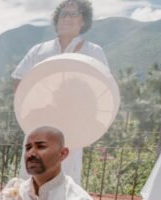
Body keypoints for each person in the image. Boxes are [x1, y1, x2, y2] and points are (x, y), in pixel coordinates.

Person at [12, 0, 109, 187]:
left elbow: (102, 88)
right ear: (56, 19)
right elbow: (18, 79)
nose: (67, 18)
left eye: (73, 14)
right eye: (63, 14)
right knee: (32, 173)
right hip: (39, 121)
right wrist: (35, 103)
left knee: (65, 177)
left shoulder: (93, 52)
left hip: (72, 125)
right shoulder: (39, 50)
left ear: (83, 21)